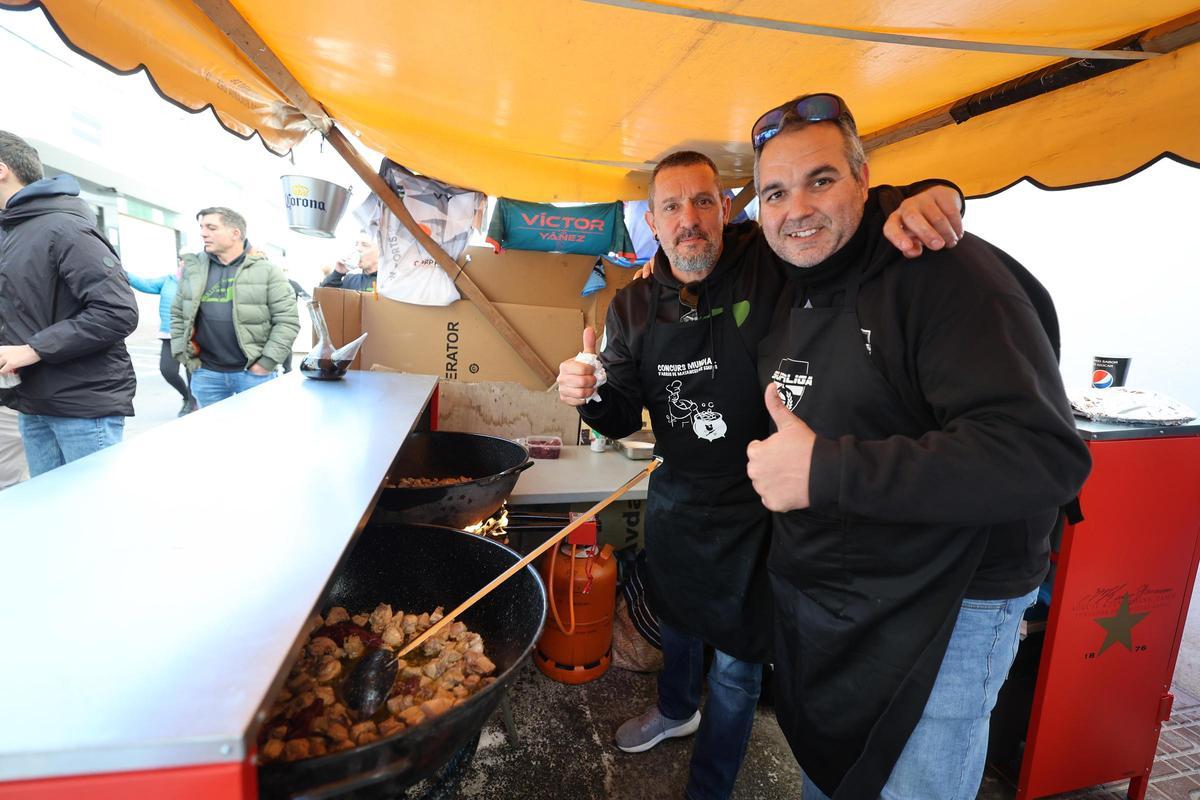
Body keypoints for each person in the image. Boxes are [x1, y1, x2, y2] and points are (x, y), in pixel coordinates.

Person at [557, 149, 964, 800]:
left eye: (702, 202)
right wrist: (587, 393)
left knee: (740, 667)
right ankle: (672, 710)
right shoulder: (633, 308)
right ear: (652, 224)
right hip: (681, 503)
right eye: (671, 207)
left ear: (724, 209)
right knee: (679, 621)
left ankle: (710, 787)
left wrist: (927, 191)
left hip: (762, 510)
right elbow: (616, 413)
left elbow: (839, 206)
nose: (688, 220)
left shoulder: (769, 259)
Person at [744, 93, 1092, 799]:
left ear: (865, 179)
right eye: (774, 192)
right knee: (833, 777)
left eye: (821, 180)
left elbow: (1040, 454)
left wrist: (826, 470)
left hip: (953, 607)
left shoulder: (946, 272)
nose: (795, 209)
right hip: (850, 598)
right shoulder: (789, 278)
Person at [0, 131, 139, 477]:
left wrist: (31, 349)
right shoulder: (14, 231)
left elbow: (117, 312)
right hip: (33, 401)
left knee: (93, 520)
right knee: (52, 517)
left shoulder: (64, 227)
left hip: (81, 407)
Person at [171, 207, 299, 408]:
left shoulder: (268, 271)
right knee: (214, 435)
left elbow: (287, 321)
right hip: (206, 374)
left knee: (256, 435)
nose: (203, 233)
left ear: (235, 233)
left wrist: (266, 362)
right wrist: (183, 356)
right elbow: (178, 314)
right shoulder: (193, 269)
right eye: (202, 227)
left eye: (212, 227)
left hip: (253, 374)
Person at [126, 257, 197, 415]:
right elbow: (146, 284)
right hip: (168, 334)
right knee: (167, 370)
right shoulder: (169, 280)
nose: (183, 262)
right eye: (181, 259)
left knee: (191, 371)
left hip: (191, 335)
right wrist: (122, 272)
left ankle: (193, 404)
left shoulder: (198, 282)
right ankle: (186, 396)